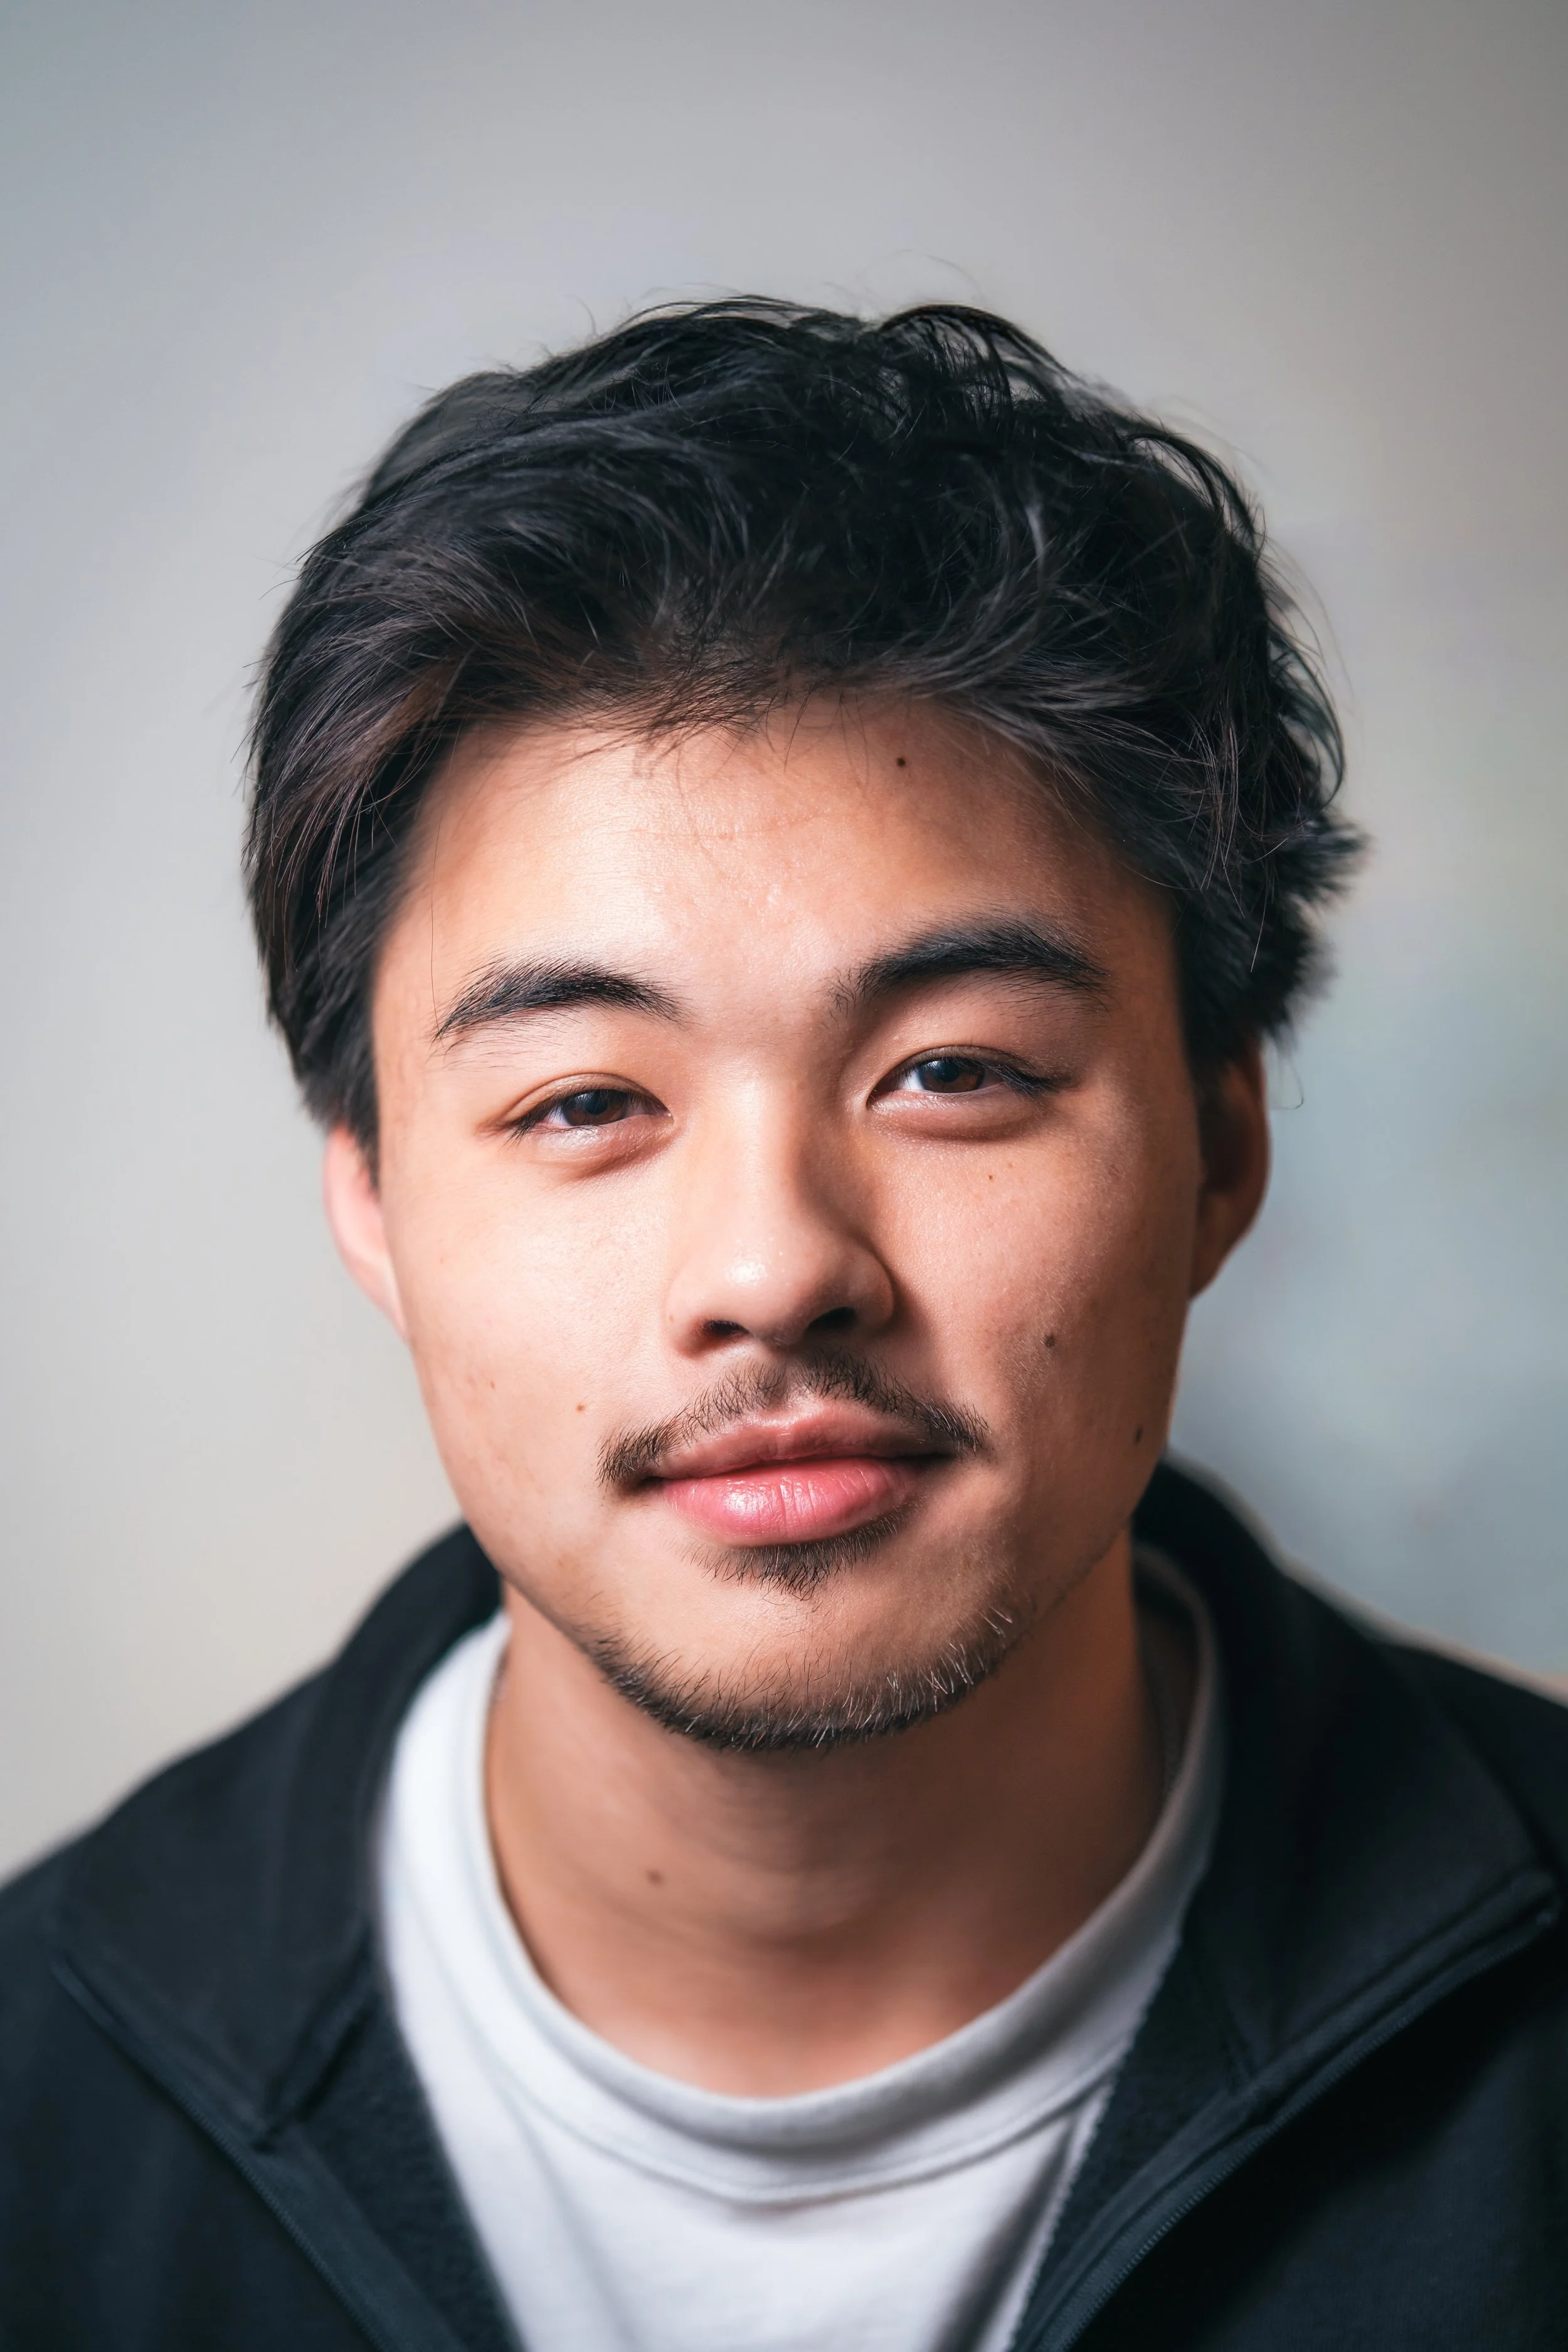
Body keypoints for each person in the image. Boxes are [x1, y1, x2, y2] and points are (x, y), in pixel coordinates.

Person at [2, 301, 1565, 2352]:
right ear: (371, 1201)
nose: (774, 1263)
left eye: (950, 1071)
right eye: (582, 1101)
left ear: (1219, 1143)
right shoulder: (45, 2124)